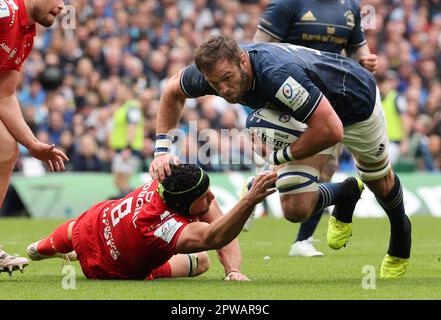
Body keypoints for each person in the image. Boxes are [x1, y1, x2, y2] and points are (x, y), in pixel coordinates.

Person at [150, 35, 411, 278]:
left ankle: (401, 233)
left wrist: (280, 157)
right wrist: (162, 151)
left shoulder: (276, 75)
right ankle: (345, 193)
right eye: (214, 84)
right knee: (295, 209)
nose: (224, 90)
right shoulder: (216, 69)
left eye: (227, 78)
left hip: (353, 103)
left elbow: (332, 130)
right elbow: (172, 90)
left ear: (243, 61)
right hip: (307, 115)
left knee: (379, 181)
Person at [252, 0, 379, 257]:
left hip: (331, 98)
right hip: (290, 96)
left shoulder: (351, 7)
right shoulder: (287, 5)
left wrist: (366, 61)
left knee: (326, 169)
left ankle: (303, 239)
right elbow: (257, 50)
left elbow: (358, 51)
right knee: (300, 168)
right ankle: (258, 185)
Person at [27, 164, 277, 280]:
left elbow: (219, 224)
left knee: (76, 229)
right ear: (185, 205)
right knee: (201, 261)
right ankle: (50, 250)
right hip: (108, 268)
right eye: (205, 197)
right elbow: (214, 236)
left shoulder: (169, 182)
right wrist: (250, 200)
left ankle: (40, 248)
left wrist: (233, 271)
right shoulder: (161, 227)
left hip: (95, 222)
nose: (212, 198)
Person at [0, 0, 69, 275]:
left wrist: (32, 144)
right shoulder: (5, 12)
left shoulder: (26, 35)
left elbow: (4, 95)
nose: (62, 7)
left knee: (7, 149)